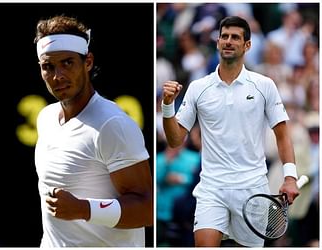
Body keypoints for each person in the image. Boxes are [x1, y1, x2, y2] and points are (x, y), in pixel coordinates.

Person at [161, 16, 299, 247]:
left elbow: (283, 135)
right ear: (217, 42)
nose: (228, 41)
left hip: (253, 188)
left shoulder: (264, 85)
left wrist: (290, 177)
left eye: (235, 37)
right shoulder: (198, 88)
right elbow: (175, 140)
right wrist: (167, 106)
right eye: (224, 36)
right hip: (211, 188)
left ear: (247, 45)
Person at [33, 15, 153, 247]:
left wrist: (83, 209)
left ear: (87, 62)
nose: (58, 76)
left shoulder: (112, 124)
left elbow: (147, 208)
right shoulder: (45, 117)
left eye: (68, 63)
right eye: (48, 67)